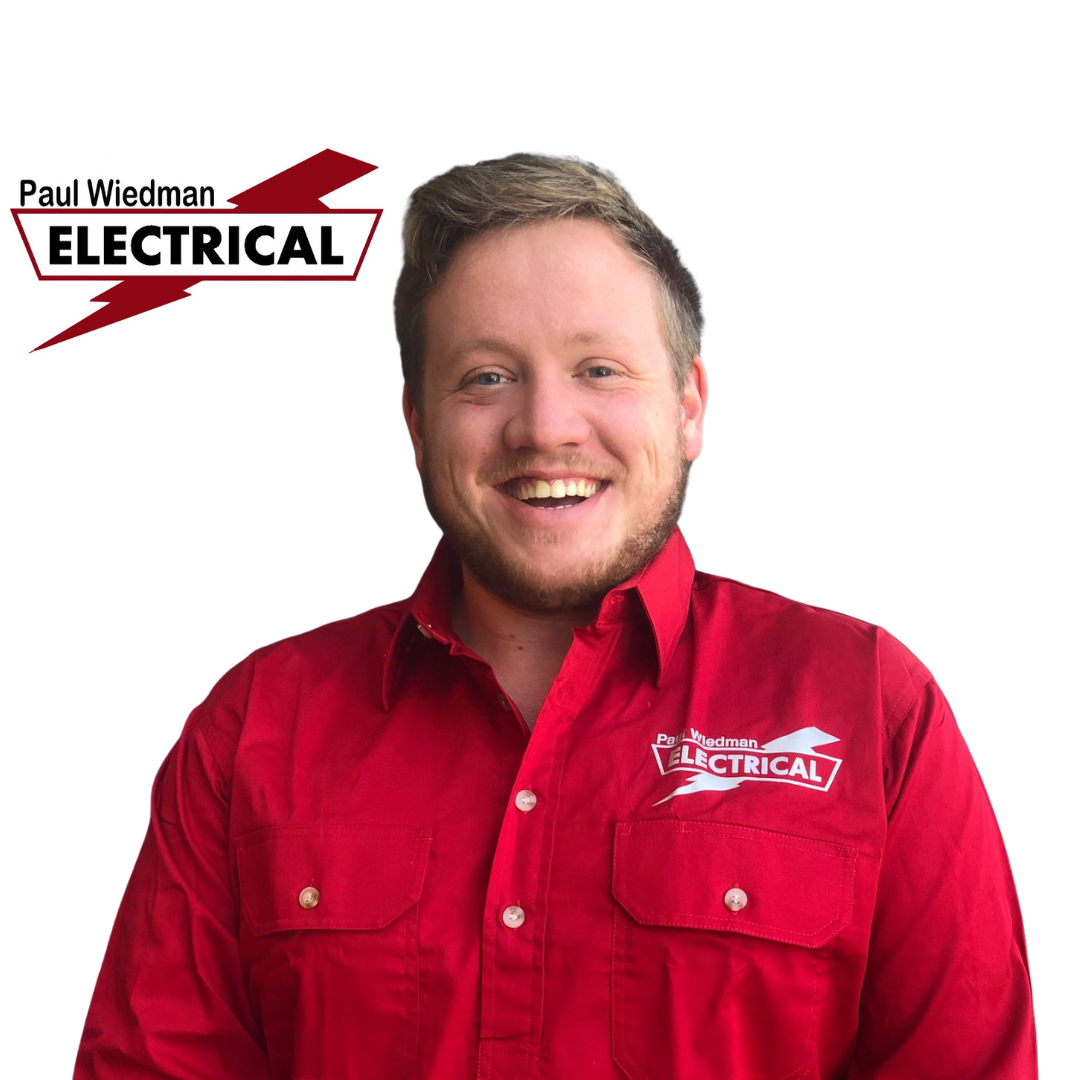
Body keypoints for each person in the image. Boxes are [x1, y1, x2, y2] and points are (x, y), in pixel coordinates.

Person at [75, 154, 1037, 1079]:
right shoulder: (256, 730)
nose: (545, 426)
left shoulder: (872, 708)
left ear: (690, 405)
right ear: (416, 422)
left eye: (601, 370)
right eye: (487, 376)